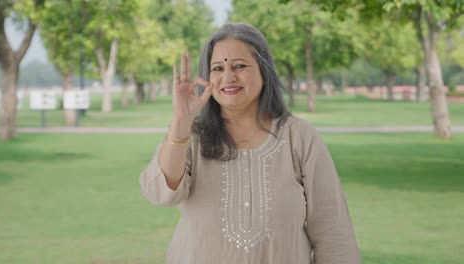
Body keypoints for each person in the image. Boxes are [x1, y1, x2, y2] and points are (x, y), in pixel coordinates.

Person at [139, 23, 361, 264]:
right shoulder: (191, 137)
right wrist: (181, 123)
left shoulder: (298, 137)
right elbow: (161, 194)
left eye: (239, 66)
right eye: (218, 68)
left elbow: (333, 230)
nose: (228, 77)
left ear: (264, 72)